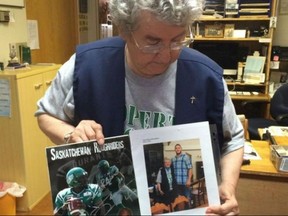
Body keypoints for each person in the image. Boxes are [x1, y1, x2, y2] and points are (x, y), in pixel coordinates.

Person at [35, 0, 244, 214]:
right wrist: (72, 135)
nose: (166, 56)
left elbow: (234, 138)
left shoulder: (206, 76)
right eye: (152, 42)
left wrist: (227, 186)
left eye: (177, 40)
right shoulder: (86, 66)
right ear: (125, 30)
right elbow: (46, 114)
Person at [171, 144, 193, 208]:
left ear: (181, 149)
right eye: (176, 148)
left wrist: (189, 180)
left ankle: (189, 211)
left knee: (187, 198)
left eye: (179, 148)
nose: (177, 149)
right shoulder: (173, 159)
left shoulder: (186, 157)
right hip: (176, 184)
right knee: (178, 200)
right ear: (174, 150)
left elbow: (190, 168)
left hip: (185, 183)